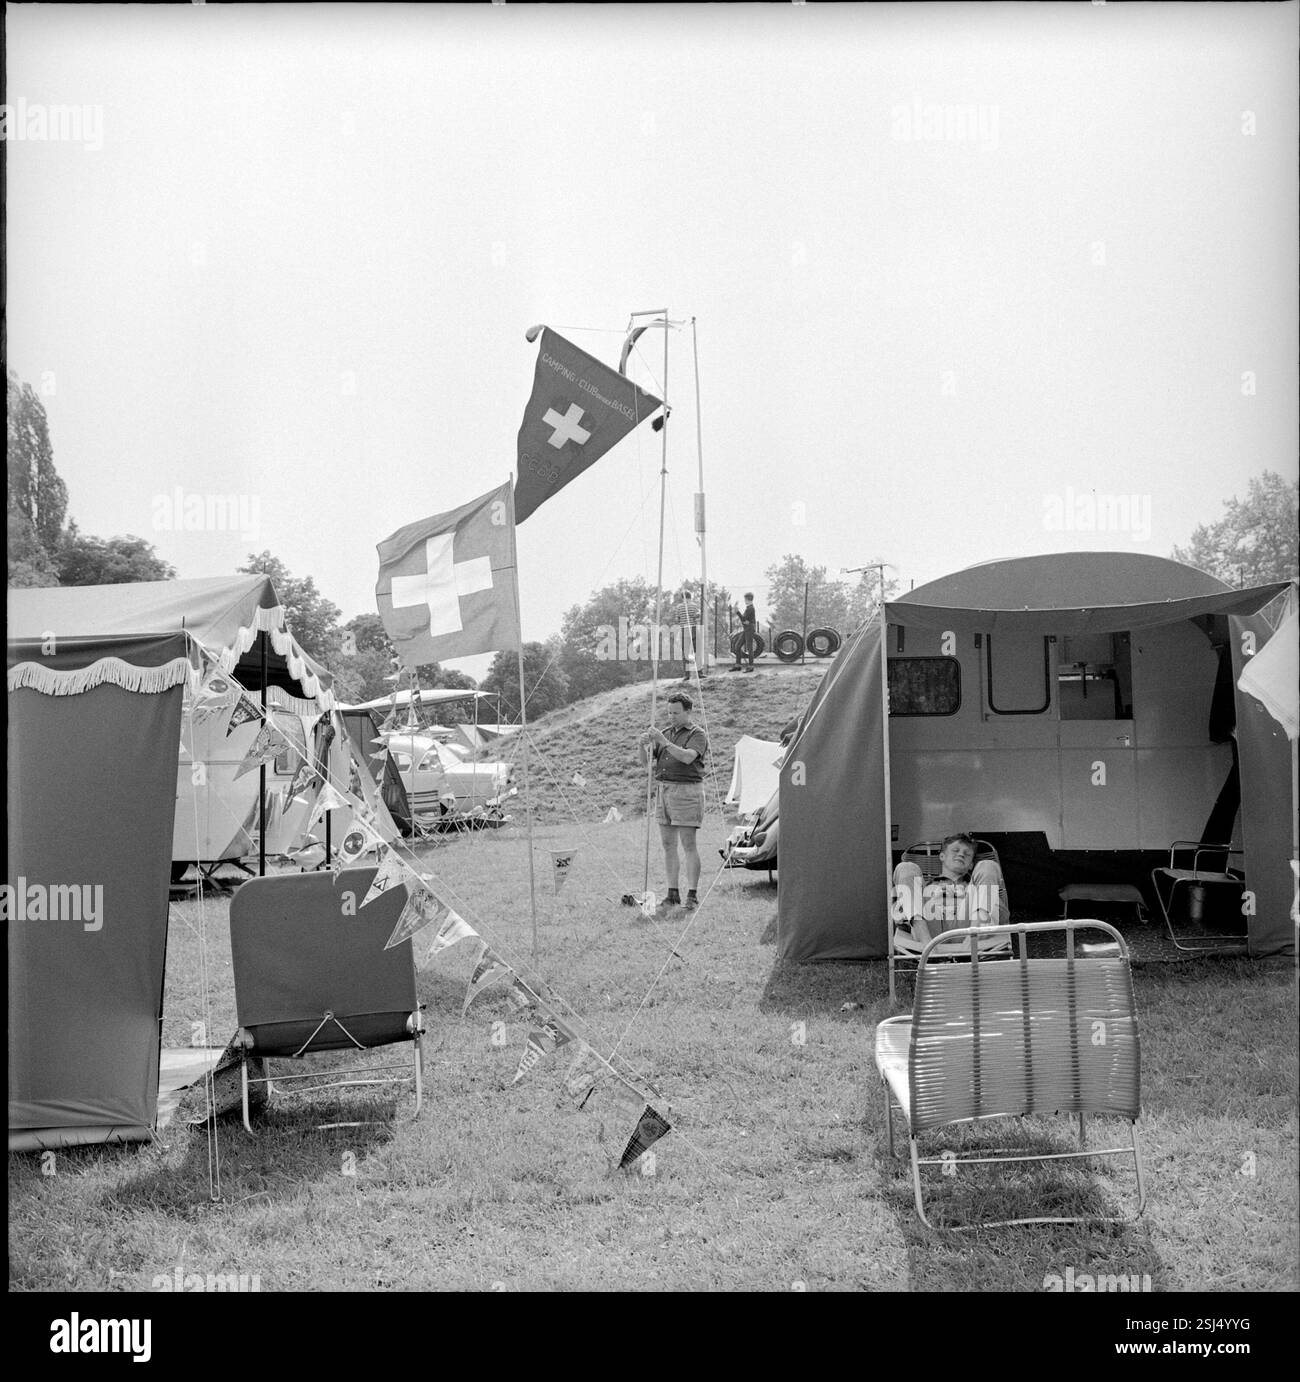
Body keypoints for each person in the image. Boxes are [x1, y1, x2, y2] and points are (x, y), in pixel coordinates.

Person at [638, 690, 709, 910]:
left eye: (676, 713)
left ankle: (692, 894)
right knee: (668, 844)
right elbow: (646, 764)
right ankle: (672, 893)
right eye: (669, 713)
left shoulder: (697, 734)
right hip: (664, 790)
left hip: (687, 792)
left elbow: (688, 757)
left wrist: (663, 741)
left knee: (688, 843)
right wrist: (641, 746)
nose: (672, 717)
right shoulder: (666, 732)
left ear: (688, 712)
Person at [890, 832, 1008, 945]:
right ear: (942, 856)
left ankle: (974, 938)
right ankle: (925, 941)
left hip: (969, 925)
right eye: (955, 850)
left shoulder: (978, 888)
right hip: (929, 927)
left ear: (971, 864)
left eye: (967, 854)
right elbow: (899, 914)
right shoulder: (923, 888)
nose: (961, 854)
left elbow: (1002, 915)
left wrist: (966, 895)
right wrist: (931, 898)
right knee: (906, 867)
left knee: (988, 865)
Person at [731, 592, 758, 672]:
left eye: (745, 599)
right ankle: (738, 665)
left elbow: (743, 619)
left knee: (749, 648)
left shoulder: (750, 608)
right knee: (737, 646)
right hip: (746, 629)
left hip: (749, 629)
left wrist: (737, 612)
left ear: (747, 599)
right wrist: (745, 620)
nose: (744, 600)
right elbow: (744, 620)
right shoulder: (749, 608)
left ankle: (750, 666)